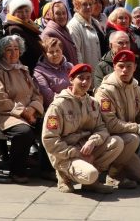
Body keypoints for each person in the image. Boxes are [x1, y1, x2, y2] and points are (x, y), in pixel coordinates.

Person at [41, 63, 120, 194]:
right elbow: (49, 140)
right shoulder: (58, 105)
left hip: (86, 149)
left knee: (117, 142)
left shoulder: (92, 103)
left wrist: (93, 141)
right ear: (71, 80)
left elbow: (102, 128)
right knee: (90, 174)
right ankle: (64, 175)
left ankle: (90, 183)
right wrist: (76, 153)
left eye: (88, 78)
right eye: (80, 78)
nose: (85, 82)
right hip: (66, 154)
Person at [0, 35, 44, 184]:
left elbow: (36, 94)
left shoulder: (22, 69)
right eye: (9, 50)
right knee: (24, 132)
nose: (13, 53)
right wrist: (23, 112)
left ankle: (47, 168)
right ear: (2, 53)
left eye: (16, 49)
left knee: (49, 125)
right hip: (2, 114)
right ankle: (16, 171)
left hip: (25, 114)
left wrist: (32, 109)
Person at [94, 49, 140, 188]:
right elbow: (110, 125)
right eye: (121, 66)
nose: (125, 70)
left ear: (135, 67)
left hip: (126, 140)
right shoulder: (104, 91)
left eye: (129, 66)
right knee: (134, 138)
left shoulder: (139, 91)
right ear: (114, 67)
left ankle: (119, 167)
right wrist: (138, 128)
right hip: (108, 140)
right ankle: (113, 175)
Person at [95, 30, 140, 102]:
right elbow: (99, 93)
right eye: (120, 43)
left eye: (127, 43)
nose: (125, 46)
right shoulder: (102, 66)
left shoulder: (137, 61)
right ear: (110, 45)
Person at [3, 0, 43, 71]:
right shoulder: (14, 30)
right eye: (20, 11)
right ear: (13, 13)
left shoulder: (30, 26)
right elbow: (20, 56)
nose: (24, 14)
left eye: (27, 11)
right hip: (28, 71)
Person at [67, 0, 102, 71]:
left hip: (98, 71)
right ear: (77, 6)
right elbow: (77, 54)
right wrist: (83, 72)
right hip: (86, 73)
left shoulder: (95, 22)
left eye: (90, 4)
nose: (88, 7)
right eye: (84, 4)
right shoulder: (73, 25)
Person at [35, 37, 72, 107]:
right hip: (56, 109)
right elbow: (48, 97)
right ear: (45, 54)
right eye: (51, 52)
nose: (55, 54)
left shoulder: (69, 66)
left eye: (58, 50)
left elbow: (78, 86)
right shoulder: (39, 72)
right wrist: (71, 100)